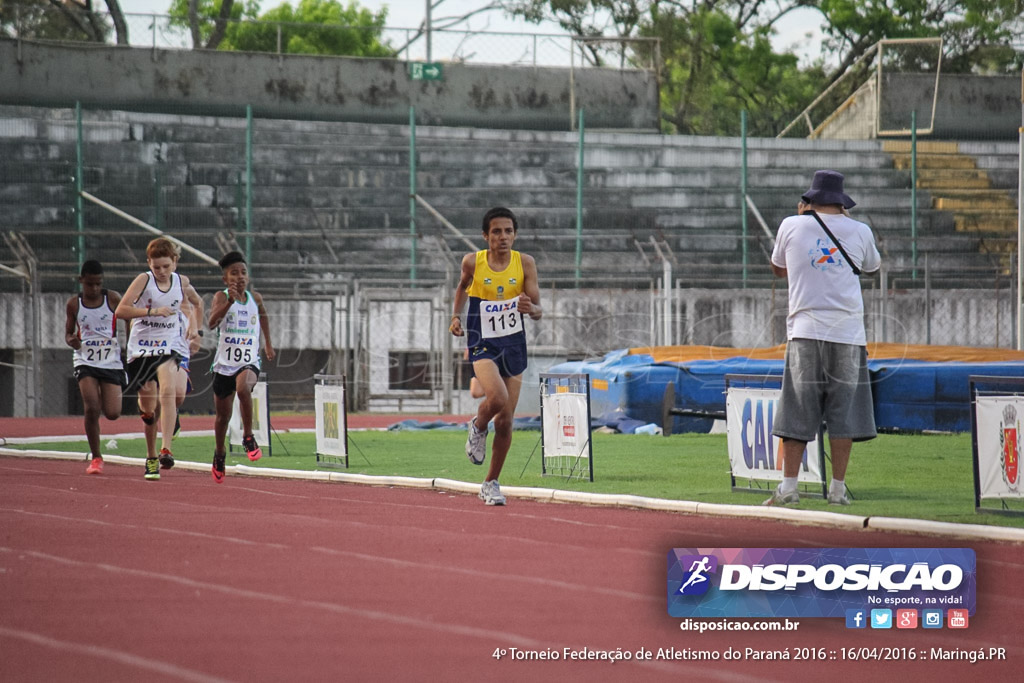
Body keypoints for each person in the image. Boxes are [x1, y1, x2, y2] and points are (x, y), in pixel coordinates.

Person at [765, 170, 881, 506]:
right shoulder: (860, 230)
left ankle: (789, 486)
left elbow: (777, 267)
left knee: (798, 408)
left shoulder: (791, 224)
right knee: (844, 412)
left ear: (810, 200)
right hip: (847, 333)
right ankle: (838, 489)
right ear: (841, 202)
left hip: (805, 331)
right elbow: (872, 267)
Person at [449, 207, 542, 506]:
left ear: (515, 234)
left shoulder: (525, 263)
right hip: (482, 341)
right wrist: (455, 317)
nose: (503, 237)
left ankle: (490, 483)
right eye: (497, 232)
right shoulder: (472, 262)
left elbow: (538, 310)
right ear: (485, 235)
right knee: (497, 398)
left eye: (508, 231)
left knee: (505, 422)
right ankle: (477, 426)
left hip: (513, 344)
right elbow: (462, 286)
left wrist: (532, 309)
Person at [116, 237, 200, 481]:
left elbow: (194, 304)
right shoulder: (144, 281)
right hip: (141, 349)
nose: (162, 272)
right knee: (148, 408)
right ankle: (150, 456)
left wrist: (195, 328)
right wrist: (151, 311)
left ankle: (165, 451)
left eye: (166, 266)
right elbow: (122, 311)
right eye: (156, 267)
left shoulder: (181, 282)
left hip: (168, 345)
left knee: (169, 391)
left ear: (174, 262)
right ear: (149, 264)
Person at [207, 251, 275, 484]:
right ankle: (219, 454)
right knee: (222, 417)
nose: (240, 277)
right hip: (224, 364)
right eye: (234, 273)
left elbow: (263, 316)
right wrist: (229, 302)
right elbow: (211, 322)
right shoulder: (221, 296)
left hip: (249, 359)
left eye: (243, 272)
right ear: (226, 279)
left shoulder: (255, 298)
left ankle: (248, 435)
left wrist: (267, 343)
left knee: (244, 388)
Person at [64, 260, 127, 475]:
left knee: (113, 413)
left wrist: (130, 343)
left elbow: (128, 318)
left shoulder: (113, 299)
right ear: (81, 281)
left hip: (110, 361)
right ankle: (97, 457)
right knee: (91, 407)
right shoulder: (74, 304)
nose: (94, 289)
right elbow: (68, 333)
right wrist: (72, 340)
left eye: (98, 284)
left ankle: (104, 396)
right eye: (90, 284)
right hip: (86, 361)